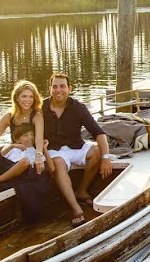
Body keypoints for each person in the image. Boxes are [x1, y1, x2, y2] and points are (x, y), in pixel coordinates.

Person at [42, 72, 112, 227]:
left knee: (97, 151)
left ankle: (81, 190)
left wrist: (106, 158)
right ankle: (76, 208)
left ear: (69, 88)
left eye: (62, 86)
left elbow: (98, 133)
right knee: (58, 162)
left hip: (75, 146)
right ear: (49, 89)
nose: (58, 90)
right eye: (55, 86)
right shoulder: (41, 108)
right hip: (53, 149)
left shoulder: (78, 107)